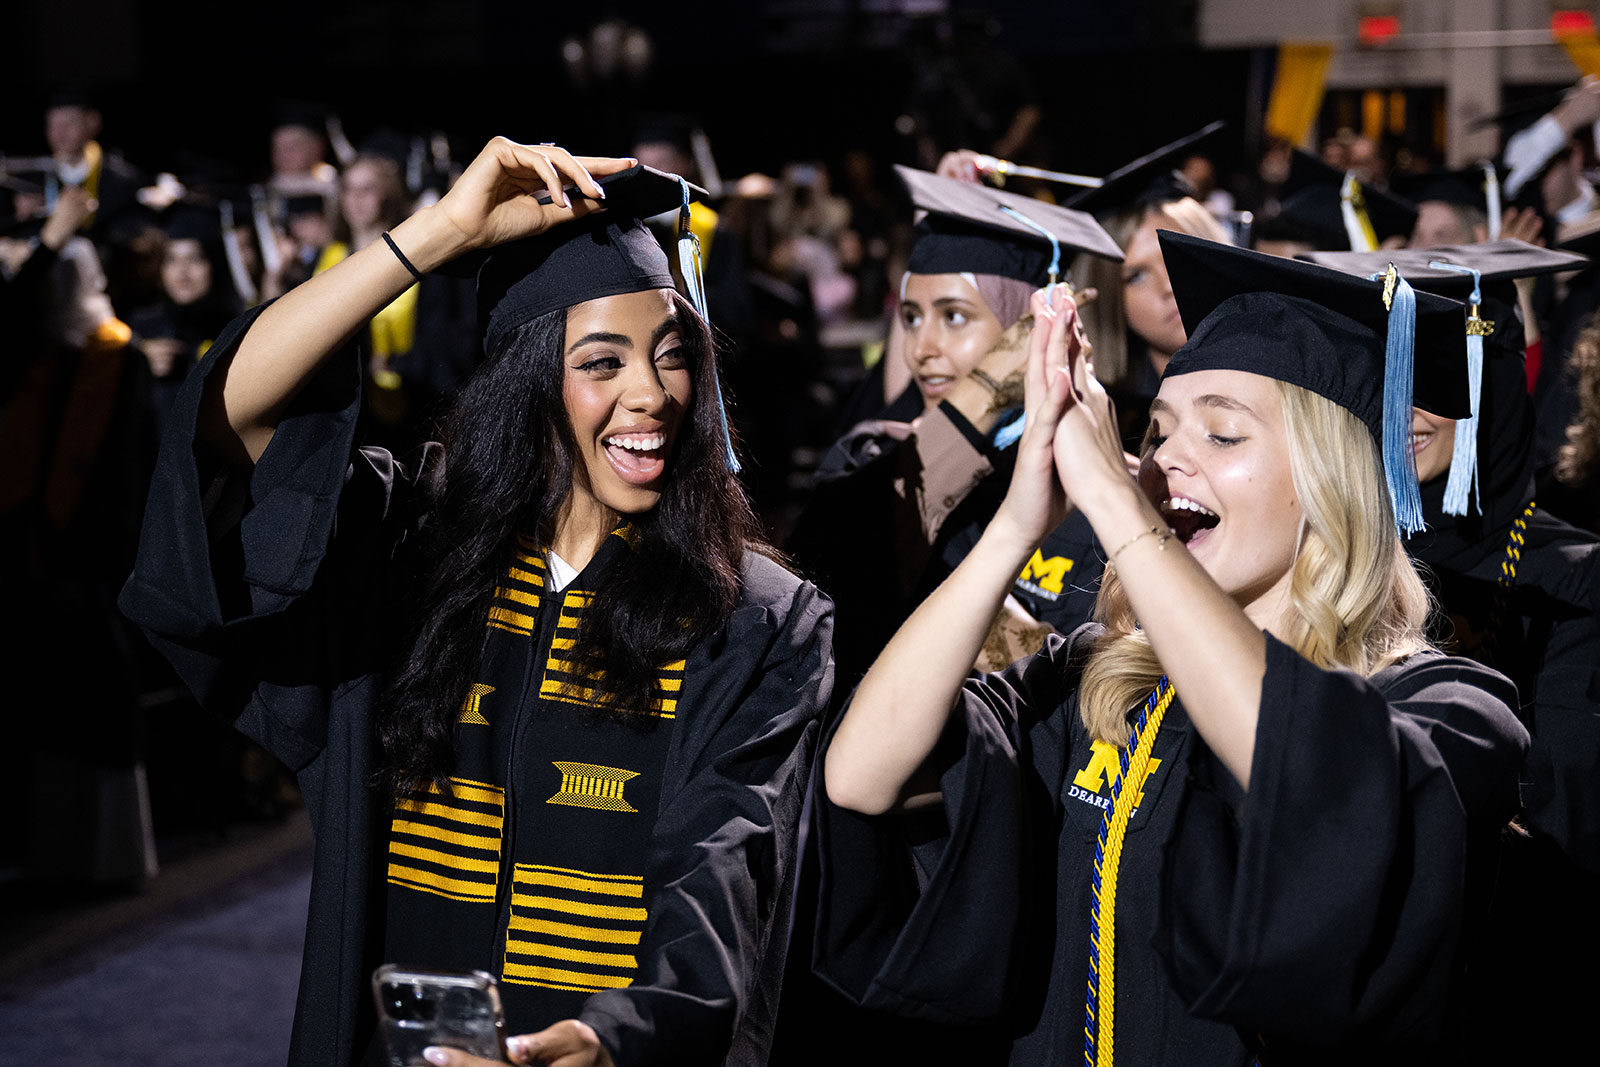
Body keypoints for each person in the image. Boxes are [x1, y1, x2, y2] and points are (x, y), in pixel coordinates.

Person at [118, 140, 832, 1067]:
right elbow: (224, 423)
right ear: (529, 386)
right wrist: (438, 233)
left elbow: (731, 870)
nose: (651, 393)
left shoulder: (753, 619)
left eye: (670, 355)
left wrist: (616, 1036)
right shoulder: (410, 559)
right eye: (602, 363)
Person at [812, 233, 1527, 1065]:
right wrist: (1015, 526)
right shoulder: (1099, 680)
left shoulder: (1450, 712)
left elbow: (1312, 779)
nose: (1168, 459)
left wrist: (1121, 508)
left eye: (1223, 436)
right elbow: (859, 777)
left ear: (1329, 480)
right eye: (1154, 433)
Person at [1303, 239, 1600, 1062]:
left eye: (1439, 377)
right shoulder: (1327, 554)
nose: (1403, 410)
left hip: (1510, 971)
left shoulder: (1570, 580)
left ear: (1493, 381)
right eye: (1387, 376)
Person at [787, 165, 1123, 688]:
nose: (923, 349)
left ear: (1026, 330)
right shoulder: (871, 457)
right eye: (912, 318)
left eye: (955, 316)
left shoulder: (1096, 494)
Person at [1065, 126, 1234, 450]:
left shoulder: (1284, 390)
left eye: (1177, 258)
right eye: (1137, 276)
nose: (1169, 286)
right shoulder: (1105, 428)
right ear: (1108, 298)